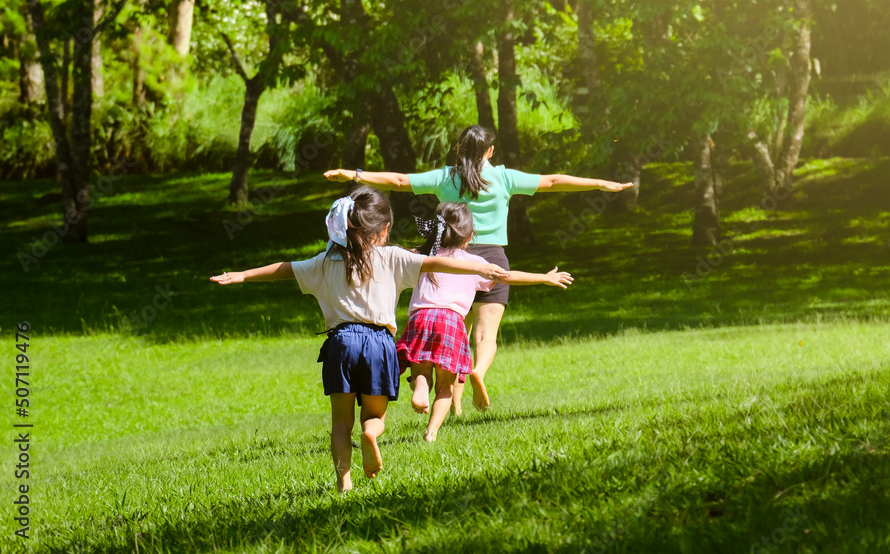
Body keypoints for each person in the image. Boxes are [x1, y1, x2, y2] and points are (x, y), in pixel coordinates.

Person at [210, 186, 507, 493]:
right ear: (385, 229)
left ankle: (344, 482)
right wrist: (479, 266)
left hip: (340, 344)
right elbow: (436, 263)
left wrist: (244, 274)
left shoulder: (326, 261)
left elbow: (285, 269)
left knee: (340, 423)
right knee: (375, 416)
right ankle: (371, 435)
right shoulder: (392, 257)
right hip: (379, 344)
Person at [324, 124, 632, 413]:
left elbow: (400, 181)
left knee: (458, 333)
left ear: (459, 148)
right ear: (491, 150)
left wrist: (354, 174)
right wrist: (599, 183)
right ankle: (478, 371)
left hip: (450, 260)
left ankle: (455, 407)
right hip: (492, 259)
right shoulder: (504, 177)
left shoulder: (446, 177)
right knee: (485, 335)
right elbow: (552, 181)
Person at [398, 201, 573, 442]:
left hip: (420, 318)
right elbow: (508, 277)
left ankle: (420, 386)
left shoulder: (423, 256)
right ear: (470, 236)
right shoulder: (475, 263)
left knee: (422, 369)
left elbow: (388, 258)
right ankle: (431, 433)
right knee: (445, 386)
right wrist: (544, 277)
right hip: (450, 322)